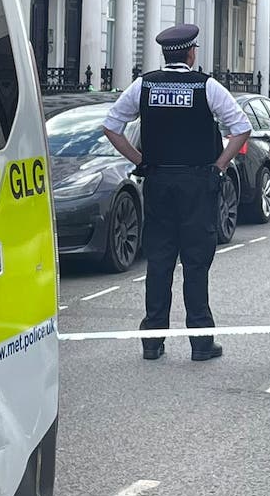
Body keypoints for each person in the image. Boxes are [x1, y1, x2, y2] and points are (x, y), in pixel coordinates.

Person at [102, 23, 251, 361]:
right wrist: (218, 166)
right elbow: (242, 128)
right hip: (198, 184)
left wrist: (141, 159)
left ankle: (153, 340)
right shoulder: (207, 87)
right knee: (196, 263)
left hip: (159, 182)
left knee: (159, 261)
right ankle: (200, 343)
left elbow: (112, 126)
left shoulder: (145, 85)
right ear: (191, 53)